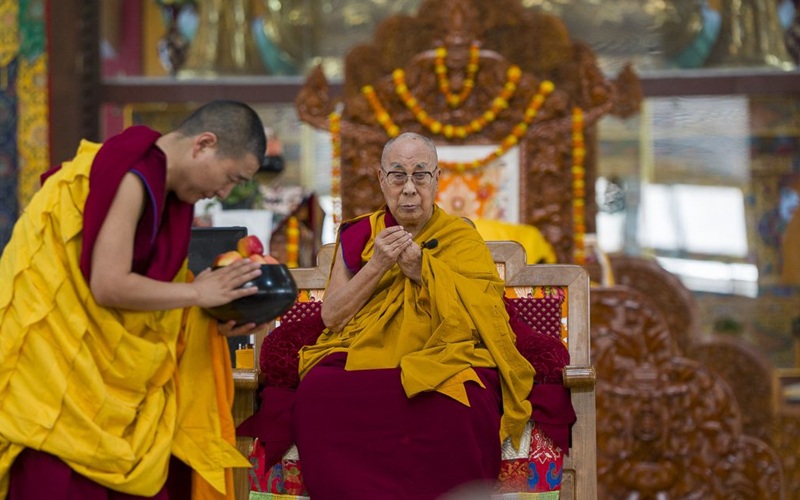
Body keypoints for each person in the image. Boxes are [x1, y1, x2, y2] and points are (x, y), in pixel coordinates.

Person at [240, 132, 576, 499]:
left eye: (421, 175)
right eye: (398, 175)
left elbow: (488, 312)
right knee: (318, 393)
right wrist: (377, 265)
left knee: (465, 401)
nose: (410, 189)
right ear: (382, 180)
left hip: (444, 355)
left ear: (437, 179)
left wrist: (423, 270)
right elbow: (333, 317)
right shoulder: (359, 236)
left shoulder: (460, 239)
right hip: (363, 351)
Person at [0, 100, 270, 499]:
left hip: (113, 389)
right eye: (231, 177)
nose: (223, 192)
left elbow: (152, 297)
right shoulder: (131, 174)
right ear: (203, 144)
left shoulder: (172, 198)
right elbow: (107, 286)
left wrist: (212, 312)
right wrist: (199, 292)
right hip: (58, 382)